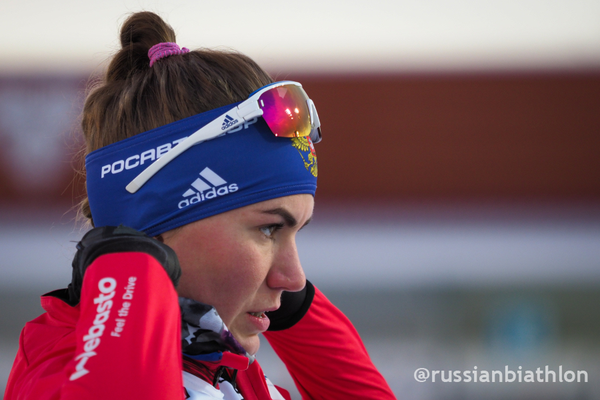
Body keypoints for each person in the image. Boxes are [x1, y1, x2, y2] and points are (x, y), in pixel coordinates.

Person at [4, 11, 395, 400]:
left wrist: (298, 314)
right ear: (150, 236)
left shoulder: (231, 377)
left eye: (295, 232)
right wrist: (128, 282)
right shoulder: (57, 383)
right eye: (268, 229)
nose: (294, 280)